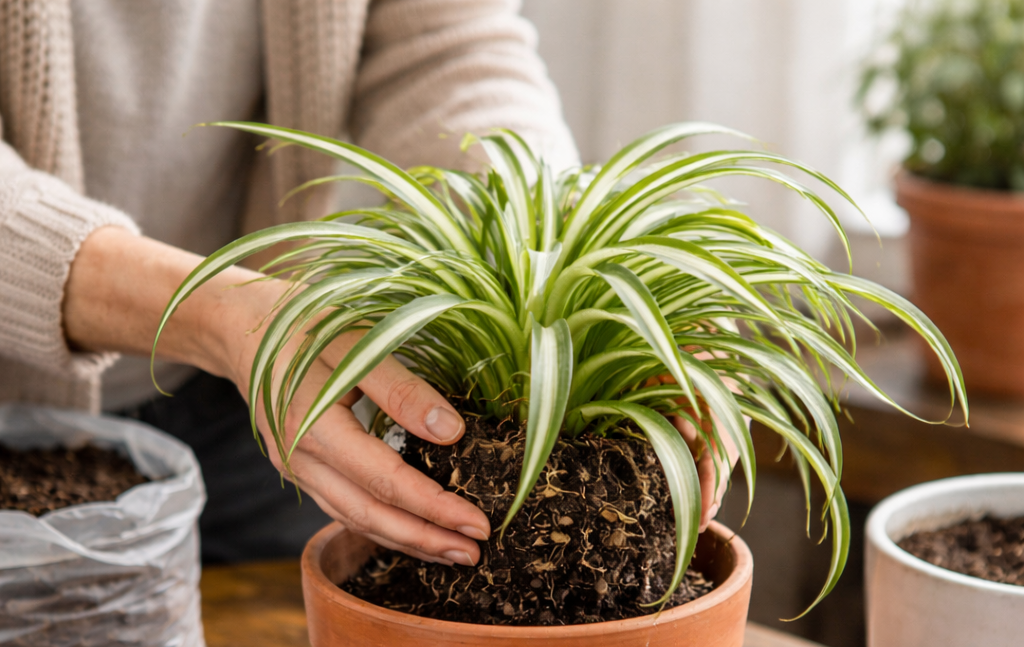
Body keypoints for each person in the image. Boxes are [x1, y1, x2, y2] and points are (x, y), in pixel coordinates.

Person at [0, 0, 729, 565]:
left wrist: (572, 253)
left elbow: (441, 43)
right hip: (62, 391)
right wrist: (209, 309)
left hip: (255, 384)